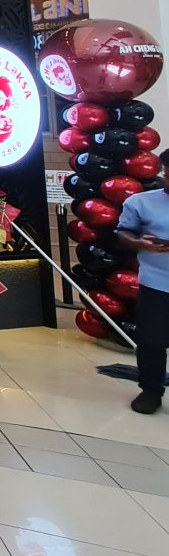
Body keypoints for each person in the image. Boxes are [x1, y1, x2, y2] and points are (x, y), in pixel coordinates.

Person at [114, 149, 169, 415]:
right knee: (151, 340)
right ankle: (151, 390)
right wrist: (139, 243)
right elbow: (123, 232)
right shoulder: (141, 202)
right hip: (157, 283)